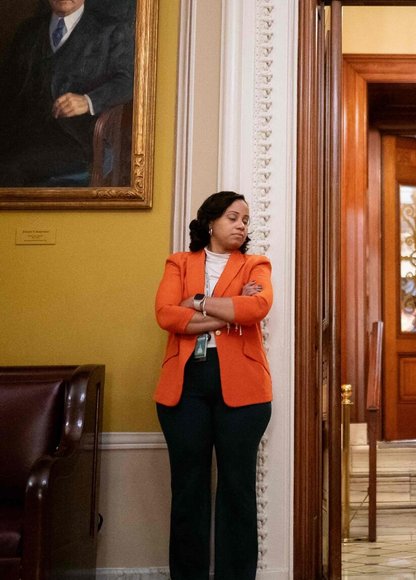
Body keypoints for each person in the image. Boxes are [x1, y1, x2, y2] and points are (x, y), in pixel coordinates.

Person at [154, 191, 273, 579]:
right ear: (210, 222)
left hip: (244, 391)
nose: (241, 226)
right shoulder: (179, 262)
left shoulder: (256, 264)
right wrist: (228, 309)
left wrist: (199, 303)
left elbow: (256, 309)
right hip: (184, 388)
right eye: (233, 218)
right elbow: (166, 315)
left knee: (237, 490)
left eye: (245, 221)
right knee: (188, 490)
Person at [0, 0, 134, 186]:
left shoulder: (110, 31)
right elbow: (7, 90)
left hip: (76, 139)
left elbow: (129, 81)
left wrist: (88, 101)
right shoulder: (27, 31)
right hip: (23, 134)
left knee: (10, 167)